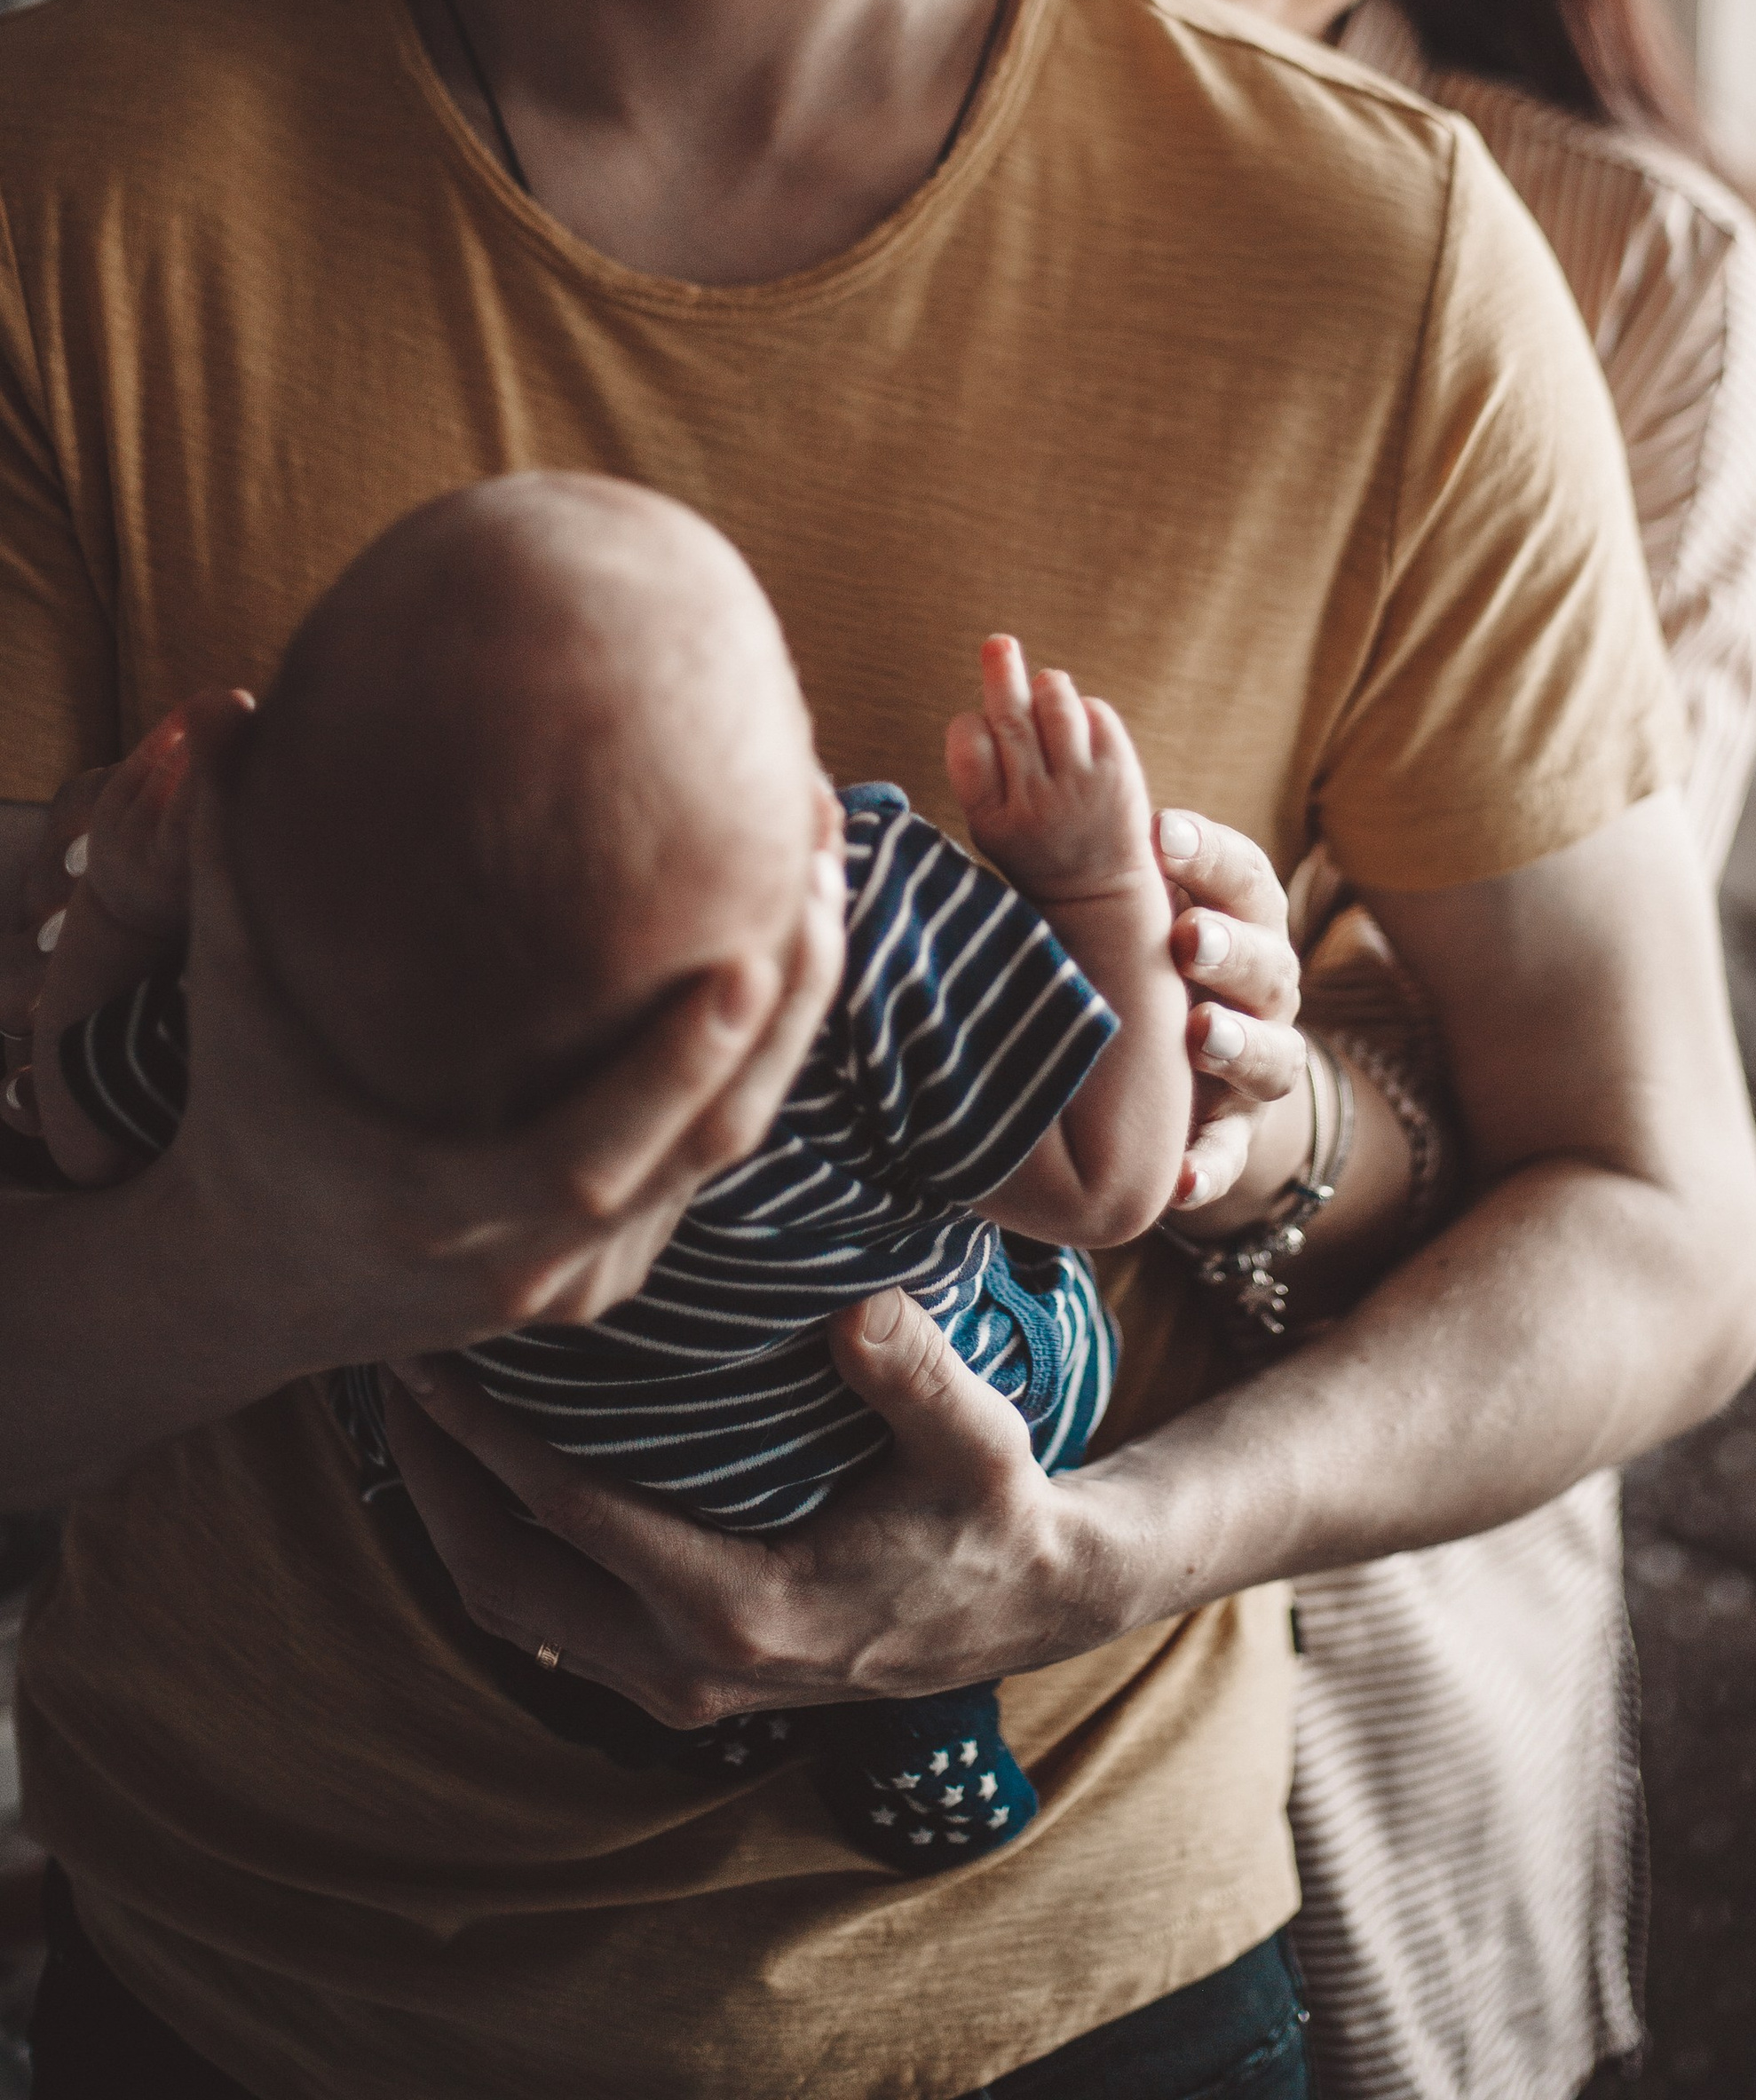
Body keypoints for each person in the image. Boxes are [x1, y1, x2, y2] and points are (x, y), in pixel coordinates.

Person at [0, 0, 1756, 2100]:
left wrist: (1091, 1550)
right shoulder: (62, 202)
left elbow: (1664, 1230)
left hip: (1087, 2002)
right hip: (236, 2013)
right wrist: (258, 1234)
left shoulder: (1375, 267)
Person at [955, 0, 1756, 2098]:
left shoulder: (1615, 280)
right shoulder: (784, 187)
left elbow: (1573, 1111)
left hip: (1351, 1630)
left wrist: (1269, 1120)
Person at [26, 471, 1198, 1873]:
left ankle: (700, 1728)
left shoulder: (277, 997)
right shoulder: (869, 930)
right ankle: (921, 1718)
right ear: (814, 831)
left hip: (557, 1564)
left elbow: (80, 1128)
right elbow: (1116, 1176)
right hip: (899, 1462)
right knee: (1038, 1318)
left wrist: (123, 905)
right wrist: (1095, 888)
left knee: (410, 1418)